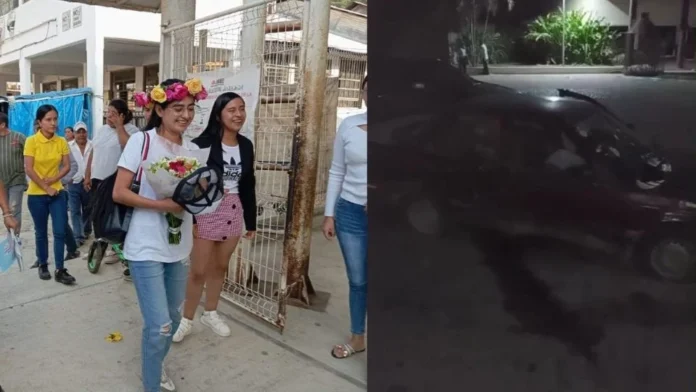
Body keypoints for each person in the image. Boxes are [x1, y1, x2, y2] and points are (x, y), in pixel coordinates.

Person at [113, 78, 207, 392]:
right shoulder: (142, 142)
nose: (186, 115)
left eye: (191, 109)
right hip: (145, 246)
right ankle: (151, 383)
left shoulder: (192, 150)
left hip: (179, 248)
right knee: (159, 327)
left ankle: (156, 362)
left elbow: (192, 199)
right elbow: (119, 192)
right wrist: (161, 204)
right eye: (178, 108)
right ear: (159, 109)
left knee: (173, 320)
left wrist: (202, 196)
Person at [173, 92, 257, 343]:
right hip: (207, 209)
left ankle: (210, 313)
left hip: (234, 209)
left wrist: (250, 221)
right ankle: (185, 319)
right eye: (232, 109)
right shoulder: (202, 144)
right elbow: (191, 185)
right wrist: (195, 219)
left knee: (220, 267)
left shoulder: (246, 145)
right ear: (219, 114)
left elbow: (248, 184)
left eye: (241, 109)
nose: (238, 114)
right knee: (198, 270)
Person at [323, 75, 368, 359]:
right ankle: (358, 336)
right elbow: (337, 171)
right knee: (358, 280)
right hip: (350, 213)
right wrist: (329, 214)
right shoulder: (349, 125)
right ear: (363, 93)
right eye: (369, 89)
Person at [85, 99, 139, 280]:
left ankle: (119, 252)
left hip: (114, 181)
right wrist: (87, 174)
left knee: (114, 219)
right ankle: (100, 246)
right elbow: (94, 152)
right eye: (108, 112)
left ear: (123, 115)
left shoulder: (132, 131)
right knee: (97, 217)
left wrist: (119, 126)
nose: (109, 116)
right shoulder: (101, 130)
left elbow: (128, 148)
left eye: (114, 113)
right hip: (96, 179)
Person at [24, 104, 76, 285]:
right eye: (48, 120)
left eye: (55, 119)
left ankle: (60, 269)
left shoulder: (61, 141)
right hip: (37, 195)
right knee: (40, 232)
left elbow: (67, 166)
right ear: (39, 122)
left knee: (60, 230)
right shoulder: (31, 141)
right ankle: (43, 264)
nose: (53, 123)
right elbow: (29, 169)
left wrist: (54, 178)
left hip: (58, 193)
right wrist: (46, 187)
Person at [0, 113, 27, 234]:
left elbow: (30, 154)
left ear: (2, 124)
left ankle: (15, 238)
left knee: (14, 209)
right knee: (7, 212)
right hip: (1, 182)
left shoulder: (19, 137)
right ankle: (11, 237)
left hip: (17, 179)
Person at [68, 121, 93, 244]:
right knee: (75, 210)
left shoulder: (93, 145)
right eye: (79, 132)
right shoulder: (68, 146)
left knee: (88, 208)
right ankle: (78, 236)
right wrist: (68, 177)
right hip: (74, 182)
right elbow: (62, 163)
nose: (82, 135)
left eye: (84, 132)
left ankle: (86, 229)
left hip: (89, 182)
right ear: (74, 133)